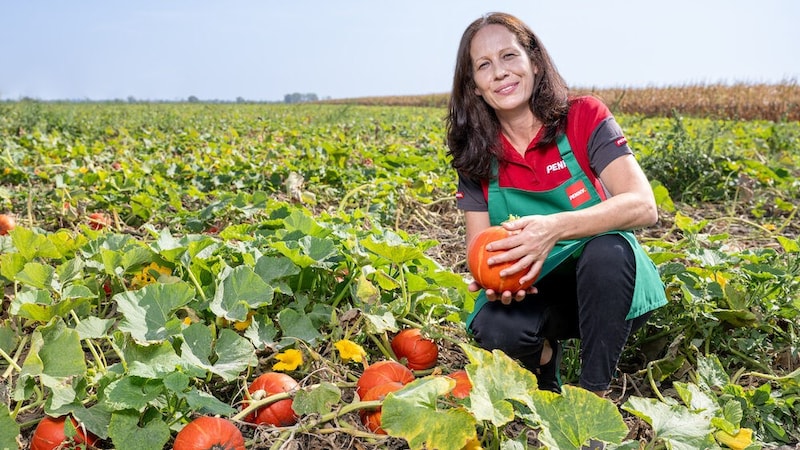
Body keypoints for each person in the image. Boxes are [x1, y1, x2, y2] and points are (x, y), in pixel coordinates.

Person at [446, 12, 667, 398]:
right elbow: (478, 248)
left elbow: (643, 205)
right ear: (475, 87)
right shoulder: (476, 153)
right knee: (496, 327)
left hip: (608, 287)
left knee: (607, 252)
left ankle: (592, 396)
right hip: (535, 289)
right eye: (484, 65)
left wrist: (553, 228)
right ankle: (545, 358)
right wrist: (492, 279)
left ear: (533, 61)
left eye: (509, 56)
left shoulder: (584, 116)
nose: (500, 72)